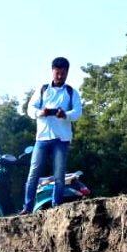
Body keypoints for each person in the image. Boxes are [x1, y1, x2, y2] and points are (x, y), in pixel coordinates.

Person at [21, 56, 82, 214]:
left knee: (59, 174)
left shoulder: (71, 92)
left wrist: (65, 115)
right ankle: (27, 208)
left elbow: (77, 112)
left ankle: (57, 206)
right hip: (42, 138)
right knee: (33, 173)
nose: (60, 76)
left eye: (63, 73)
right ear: (52, 72)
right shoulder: (43, 89)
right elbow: (30, 109)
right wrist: (41, 112)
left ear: (67, 73)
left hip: (61, 139)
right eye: (57, 73)